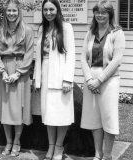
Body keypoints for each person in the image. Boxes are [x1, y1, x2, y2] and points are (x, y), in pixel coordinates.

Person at [80, 0, 125, 160]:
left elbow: (117, 60)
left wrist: (98, 81)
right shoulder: (90, 32)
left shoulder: (117, 33)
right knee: (94, 118)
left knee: (108, 117)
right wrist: (88, 79)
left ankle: (107, 155)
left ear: (110, 14)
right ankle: (97, 154)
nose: (100, 15)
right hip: (90, 79)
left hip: (109, 80)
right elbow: (83, 58)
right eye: (97, 12)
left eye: (104, 12)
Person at [33, 0, 75, 159]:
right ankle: (50, 146)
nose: (48, 12)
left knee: (62, 114)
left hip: (60, 75)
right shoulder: (42, 28)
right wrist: (37, 79)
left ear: (57, 9)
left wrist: (67, 79)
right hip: (45, 74)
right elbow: (39, 57)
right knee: (48, 114)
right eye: (45, 10)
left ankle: (59, 147)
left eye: (51, 9)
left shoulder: (67, 28)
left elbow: (71, 55)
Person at [0, 0, 34, 157]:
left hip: (20, 71)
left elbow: (30, 53)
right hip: (3, 70)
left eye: (14, 11)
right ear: (5, 12)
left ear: (19, 11)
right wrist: (2, 71)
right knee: (5, 108)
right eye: (9, 11)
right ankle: (8, 141)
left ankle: (17, 141)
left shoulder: (27, 30)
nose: (11, 14)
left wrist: (18, 72)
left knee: (18, 109)